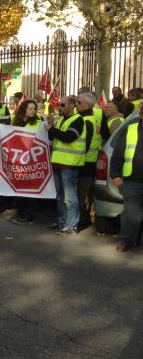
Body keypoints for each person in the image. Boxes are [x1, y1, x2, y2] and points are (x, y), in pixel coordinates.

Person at [46, 95, 85, 235]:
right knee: (60, 196)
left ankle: (71, 225)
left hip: (69, 163)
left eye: (62, 105)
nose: (59, 107)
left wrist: (52, 129)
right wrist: (51, 128)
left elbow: (68, 137)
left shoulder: (78, 120)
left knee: (70, 197)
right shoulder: (61, 120)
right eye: (59, 105)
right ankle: (61, 221)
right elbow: (52, 137)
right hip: (58, 162)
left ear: (71, 106)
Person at [110, 102, 143, 251]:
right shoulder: (130, 129)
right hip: (132, 179)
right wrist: (116, 174)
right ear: (141, 116)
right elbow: (117, 154)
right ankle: (126, 240)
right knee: (130, 212)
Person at [76, 92, 109, 229]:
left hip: (84, 159)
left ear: (87, 104)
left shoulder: (82, 116)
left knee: (82, 190)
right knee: (87, 190)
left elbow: (85, 141)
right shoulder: (99, 114)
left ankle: (82, 219)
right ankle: (86, 217)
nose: (76, 105)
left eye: (79, 102)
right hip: (92, 157)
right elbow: (105, 134)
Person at [8, 99, 42, 224]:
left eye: (34, 109)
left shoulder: (39, 123)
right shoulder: (16, 122)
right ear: (24, 109)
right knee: (19, 189)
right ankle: (20, 213)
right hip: (18, 160)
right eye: (30, 108)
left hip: (31, 160)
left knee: (30, 189)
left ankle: (29, 216)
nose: (33, 111)